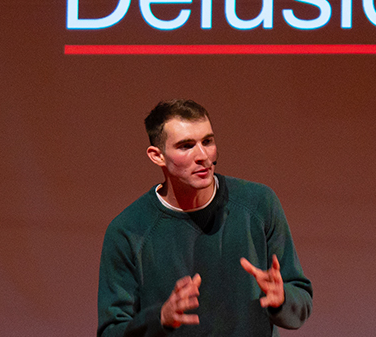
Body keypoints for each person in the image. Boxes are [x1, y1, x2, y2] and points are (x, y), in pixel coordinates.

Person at [97, 99, 313, 337]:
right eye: (186, 146)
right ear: (157, 156)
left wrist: (282, 298)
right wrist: (160, 319)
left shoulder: (258, 203)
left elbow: (300, 303)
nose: (203, 156)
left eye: (207, 141)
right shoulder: (128, 231)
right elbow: (111, 331)